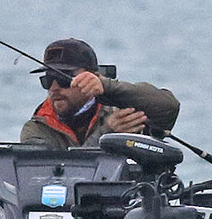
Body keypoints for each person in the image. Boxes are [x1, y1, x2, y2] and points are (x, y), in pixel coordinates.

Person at [20, 38, 180, 149]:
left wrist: (106, 86)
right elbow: (58, 173)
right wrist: (107, 133)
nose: (54, 88)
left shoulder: (121, 111)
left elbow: (168, 107)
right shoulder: (37, 128)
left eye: (63, 79)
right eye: (48, 80)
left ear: (93, 77)